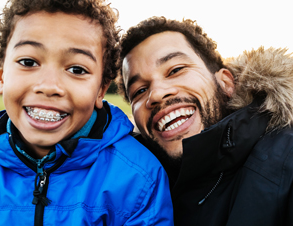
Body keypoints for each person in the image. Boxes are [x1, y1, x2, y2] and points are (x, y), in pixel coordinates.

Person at [0, 2, 174, 225]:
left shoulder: (138, 178)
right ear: (2, 77)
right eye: (28, 62)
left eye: (76, 69)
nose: (49, 86)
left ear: (101, 90)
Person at [116, 16, 293, 226]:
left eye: (175, 70)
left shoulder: (287, 160)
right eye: (140, 90)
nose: (155, 95)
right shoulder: (132, 186)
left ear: (226, 83)